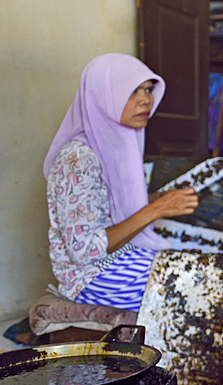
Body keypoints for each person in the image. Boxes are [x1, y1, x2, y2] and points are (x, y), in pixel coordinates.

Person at [44, 53, 199, 312]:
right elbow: (84, 251)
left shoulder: (117, 140)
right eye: (131, 91)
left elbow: (106, 203)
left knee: (214, 271)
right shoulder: (77, 157)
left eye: (148, 89)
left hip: (121, 256)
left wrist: (157, 199)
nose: (145, 99)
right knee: (204, 288)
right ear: (102, 96)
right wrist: (156, 210)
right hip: (91, 277)